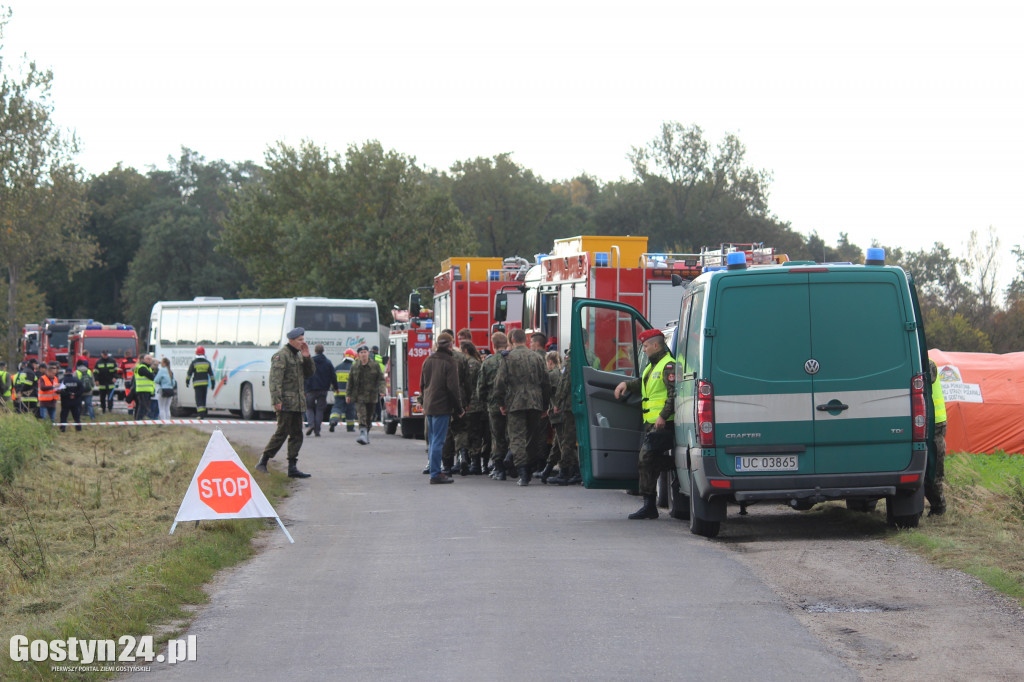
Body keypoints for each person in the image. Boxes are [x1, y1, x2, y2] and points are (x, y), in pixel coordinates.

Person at [614, 328, 676, 519]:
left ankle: (650, 505)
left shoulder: (669, 366)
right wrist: (627, 384)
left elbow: (674, 394)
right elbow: (644, 382)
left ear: (656, 345)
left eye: (646, 346)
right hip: (651, 424)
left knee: (646, 459)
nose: (644, 350)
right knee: (648, 461)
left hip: (664, 425)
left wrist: (663, 416)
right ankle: (651, 503)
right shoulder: (652, 366)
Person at [494, 328, 551, 486]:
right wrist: (546, 405)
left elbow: (499, 383)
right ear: (525, 340)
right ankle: (530, 467)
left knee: (517, 437)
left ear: (512, 340)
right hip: (535, 402)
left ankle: (523, 473)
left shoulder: (508, 358)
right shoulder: (537, 357)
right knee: (531, 437)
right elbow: (546, 382)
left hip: (515, 402)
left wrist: (500, 403)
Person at [256, 327, 315, 478]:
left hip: (298, 402)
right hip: (286, 402)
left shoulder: (298, 356)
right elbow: (275, 381)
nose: (303, 343)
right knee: (281, 433)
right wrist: (276, 400)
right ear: (291, 340)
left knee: (297, 434)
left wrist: (307, 356)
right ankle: (263, 461)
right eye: (300, 340)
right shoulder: (281, 356)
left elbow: (310, 373)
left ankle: (292, 467)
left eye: (303, 340)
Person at [420, 332, 463, 484]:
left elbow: (422, 384)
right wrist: (459, 408)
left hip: (429, 405)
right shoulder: (450, 361)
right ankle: (436, 474)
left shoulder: (428, 360)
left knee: (432, 440)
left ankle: (433, 469)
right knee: (439, 441)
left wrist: (423, 402)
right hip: (442, 406)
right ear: (451, 345)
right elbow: (453, 388)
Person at [477, 331, 510, 480]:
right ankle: (513, 464)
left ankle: (499, 469)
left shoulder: (488, 362)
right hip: (513, 404)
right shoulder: (512, 358)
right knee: (512, 435)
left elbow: (481, 387)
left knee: (497, 437)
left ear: (493, 345)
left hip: (494, 405)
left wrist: (485, 400)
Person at [547, 348, 581, 486]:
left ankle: (565, 472)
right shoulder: (586, 356)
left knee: (567, 440)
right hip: (577, 402)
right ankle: (574, 471)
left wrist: (558, 401)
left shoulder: (571, 358)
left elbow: (565, 382)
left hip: (568, 405)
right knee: (570, 439)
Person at [442, 329, 473, 474]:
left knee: (447, 431)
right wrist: (468, 399)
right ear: (452, 342)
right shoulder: (462, 358)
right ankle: (463, 454)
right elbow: (468, 381)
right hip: (460, 396)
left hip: (443, 398)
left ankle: (447, 465)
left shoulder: (437, 358)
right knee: (461, 428)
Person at [347, 345, 385, 445]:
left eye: (365, 352)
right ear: (358, 355)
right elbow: (350, 381)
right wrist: (348, 395)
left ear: (368, 353)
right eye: (361, 353)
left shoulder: (375, 365)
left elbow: (381, 379)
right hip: (359, 395)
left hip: (372, 395)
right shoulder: (355, 366)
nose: (363, 354)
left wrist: (382, 390)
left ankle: (366, 433)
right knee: (361, 414)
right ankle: (362, 433)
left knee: (369, 416)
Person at [460, 340, 487, 475]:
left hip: (472, 403)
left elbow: (468, 385)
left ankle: (474, 463)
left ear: (465, 350)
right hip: (477, 403)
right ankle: (474, 462)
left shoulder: (470, 364)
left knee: (472, 433)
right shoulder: (476, 362)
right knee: (475, 433)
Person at [926, 359, 947, 517]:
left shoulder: (928, 364)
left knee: (933, 469)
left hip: (935, 423)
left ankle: (939, 507)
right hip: (924, 421)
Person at [304, 344, 337, 437]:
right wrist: (336, 387)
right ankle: (317, 431)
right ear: (323, 351)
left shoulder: (310, 361)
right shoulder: (328, 362)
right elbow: (333, 376)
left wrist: (304, 389)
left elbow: (304, 375)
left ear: (315, 351)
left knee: (309, 408)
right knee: (320, 410)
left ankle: (311, 425)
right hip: (323, 389)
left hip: (310, 389)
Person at [329, 348, 358, 432]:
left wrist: (333, 389)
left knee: (337, 408)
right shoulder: (354, 368)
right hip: (350, 394)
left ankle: (333, 420)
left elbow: (332, 380)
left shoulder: (337, 367)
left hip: (338, 393)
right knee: (350, 410)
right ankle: (350, 428)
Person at [185, 346, 216, 419]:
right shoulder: (207, 363)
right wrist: (213, 383)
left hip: (197, 384)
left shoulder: (194, 362)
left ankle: (200, 414)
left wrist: (187, 382)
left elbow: (189, 373)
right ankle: (203, 414)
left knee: (199, 399)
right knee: (203, 398)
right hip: (205, 384)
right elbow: (211, 374)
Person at [58, 366, 85, 432]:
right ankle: (78, 429)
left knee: (64, 416)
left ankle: (62, 429)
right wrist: (75, 395)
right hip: (75, 401)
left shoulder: (62, 380)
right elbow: (82, 390)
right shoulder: (77, 380)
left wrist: (68, 395)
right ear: (72, 373)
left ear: (65, 373)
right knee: (76, 416)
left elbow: (60, 391)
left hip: (65, 401)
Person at [133, 354, 157, 421]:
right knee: (143, 406)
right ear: (144, 360)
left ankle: (141, 420)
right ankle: (139, 420)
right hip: (142, 390)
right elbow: (152, 376)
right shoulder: (142, 367)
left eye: (150, 359)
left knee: (145, 406)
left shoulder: (147, 368)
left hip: (147, 390)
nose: (150, 361)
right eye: (148, 359)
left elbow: (153, 376)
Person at [154, 357, 176, 421]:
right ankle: (168, 421)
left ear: (164, 364)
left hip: (163, 390)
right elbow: (174, 383)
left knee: (161, 407)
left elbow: (156, 380)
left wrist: (161, 383)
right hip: (170, 390)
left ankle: (163, 421)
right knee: (167, 407)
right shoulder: (170, 371)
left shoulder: (162, 370)